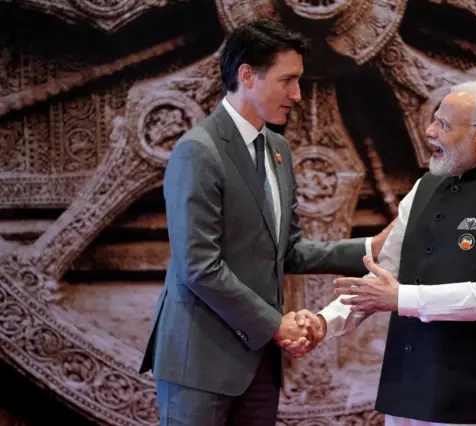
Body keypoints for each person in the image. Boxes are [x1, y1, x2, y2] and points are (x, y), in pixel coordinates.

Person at [138, 19, 387, 426]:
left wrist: (368, 248)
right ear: (247, 75)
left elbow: (286, 250)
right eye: (287, 80)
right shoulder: (197, 151)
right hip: (200, 363)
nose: (297, 94)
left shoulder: (278, 150)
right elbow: (199, 265)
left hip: (259, 365)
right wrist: (276, 324)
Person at [293, 81, 476, 426]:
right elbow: (383, 278)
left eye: (445, 125)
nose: (430, 132)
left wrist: (400, 297)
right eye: (434, 120)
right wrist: (324, 322)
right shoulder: (425, 187)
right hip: (408, 397)